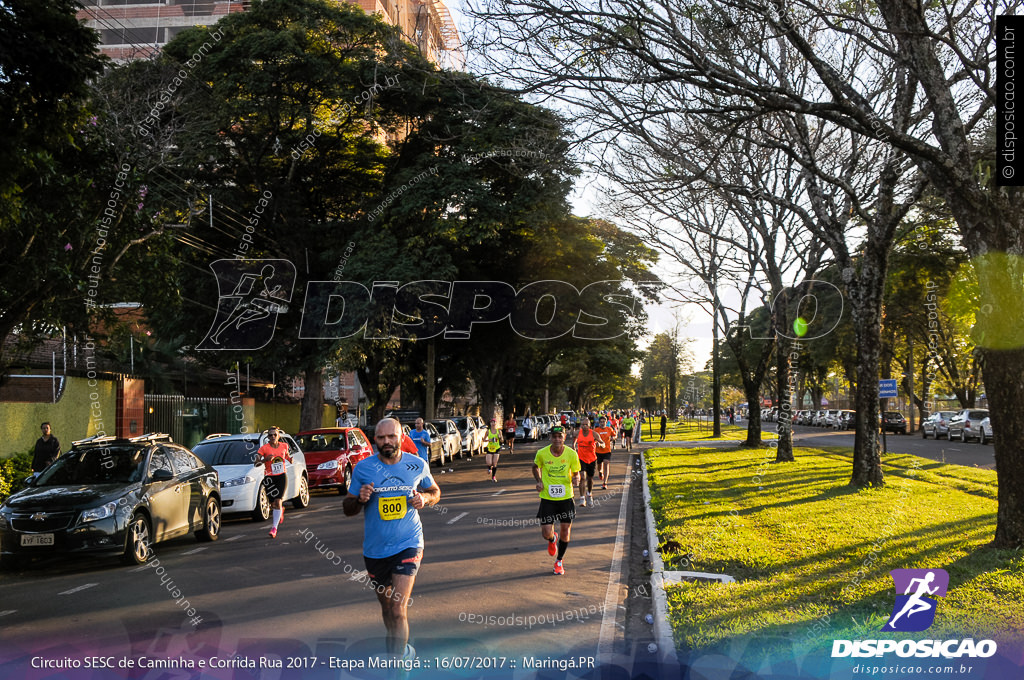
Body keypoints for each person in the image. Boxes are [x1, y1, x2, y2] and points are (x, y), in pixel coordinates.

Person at [343, 418, 441, 660]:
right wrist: (359, 499)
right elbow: (347, 508)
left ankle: (398, 666)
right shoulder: (363, 468)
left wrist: (425, 500)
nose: (386, 442)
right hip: (375, 550)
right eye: (381, 438)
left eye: (391, 437)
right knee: (387, 608)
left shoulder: (417, 464)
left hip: (409, 543)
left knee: (398, 609)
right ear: (375, 440)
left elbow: (435, 491)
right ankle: (400, 650)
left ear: (401, 437)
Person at [532, 425, 580, 575]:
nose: (557, 439)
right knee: (546, 533)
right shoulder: (542, 453)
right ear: (550, 438)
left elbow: (576, 472)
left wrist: (576, 478)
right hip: (548, 498)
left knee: (565, 530)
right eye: (554, 437)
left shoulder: (572, 454)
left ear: (564, 437)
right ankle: (553, 539)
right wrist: (539, 480)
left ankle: (559, 561)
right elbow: (535, 467)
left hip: (566, 497)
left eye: (560, 436)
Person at [257, 426, 291, 538]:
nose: (272, 437)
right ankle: (280, 511)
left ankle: (274, 528)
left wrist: (290, 459)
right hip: (269, 478)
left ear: (278, 436)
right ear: (268, 437)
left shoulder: (284, 446)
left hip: (281, 476)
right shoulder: (264, 449)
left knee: (278, 501)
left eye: (275, 435)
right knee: (273, 504)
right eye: (270, 435)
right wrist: (265, 460)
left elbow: (287, 456)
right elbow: (256, 463)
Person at [572, 417, 597, 507]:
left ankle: (589, 493)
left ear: (589, 425)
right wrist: (574, 445)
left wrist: (602, 443)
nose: (584, 426)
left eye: (586, 424)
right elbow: (574, 437)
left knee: (590, 479)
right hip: (581, 458)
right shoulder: (577, 433)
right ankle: (582, 498)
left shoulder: (593, 434)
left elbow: (601, 440)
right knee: (582, 477)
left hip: (591, 459)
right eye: (583, 424)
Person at [592, 416, 616, 491]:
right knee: (599, 466)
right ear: (599, 423)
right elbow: (592, 439)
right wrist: (596, 442)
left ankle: (605, 483)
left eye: (603, 422)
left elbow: (615, 435)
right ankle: (600, 472)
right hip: (598, 451)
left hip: (607, 450)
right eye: (601, 422)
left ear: (606, 422)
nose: (602, 423)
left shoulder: (609, 429)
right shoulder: (596, 430)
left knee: (606, 463)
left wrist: (613, 438)